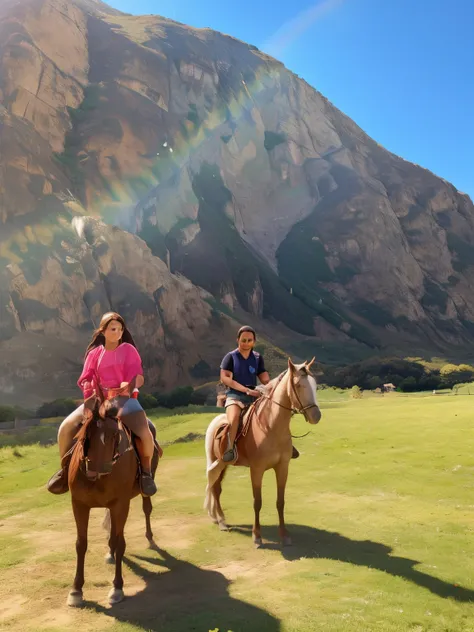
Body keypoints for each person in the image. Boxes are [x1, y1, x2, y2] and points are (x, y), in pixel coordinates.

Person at [47, 312, 157, 497]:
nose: (118, 333)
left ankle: (145, 473)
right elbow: (86, 378)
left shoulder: (129, 350)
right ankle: (65, 470)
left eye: (120, 329)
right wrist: (91, 393)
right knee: (65, 427)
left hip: (125, 400)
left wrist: (128, 385)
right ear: (103, 331)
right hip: (97, 400)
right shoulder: (94, 354)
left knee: (145, 432)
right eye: (113, 329)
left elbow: (137, 376)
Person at [219, 326, 299, 462]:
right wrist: (246, 390)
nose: (246, 343)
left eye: (249, 340)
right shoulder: (231, 357)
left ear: (254, 342)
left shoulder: (257, 358)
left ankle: (287, 444)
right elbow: (225, 378)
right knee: (234, 420)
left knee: (277, 414)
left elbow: (263, 376)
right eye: (243, 340)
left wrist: (271, 385)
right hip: (234, 396)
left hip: (254, 395)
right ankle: (229, 448)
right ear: (237, 340)